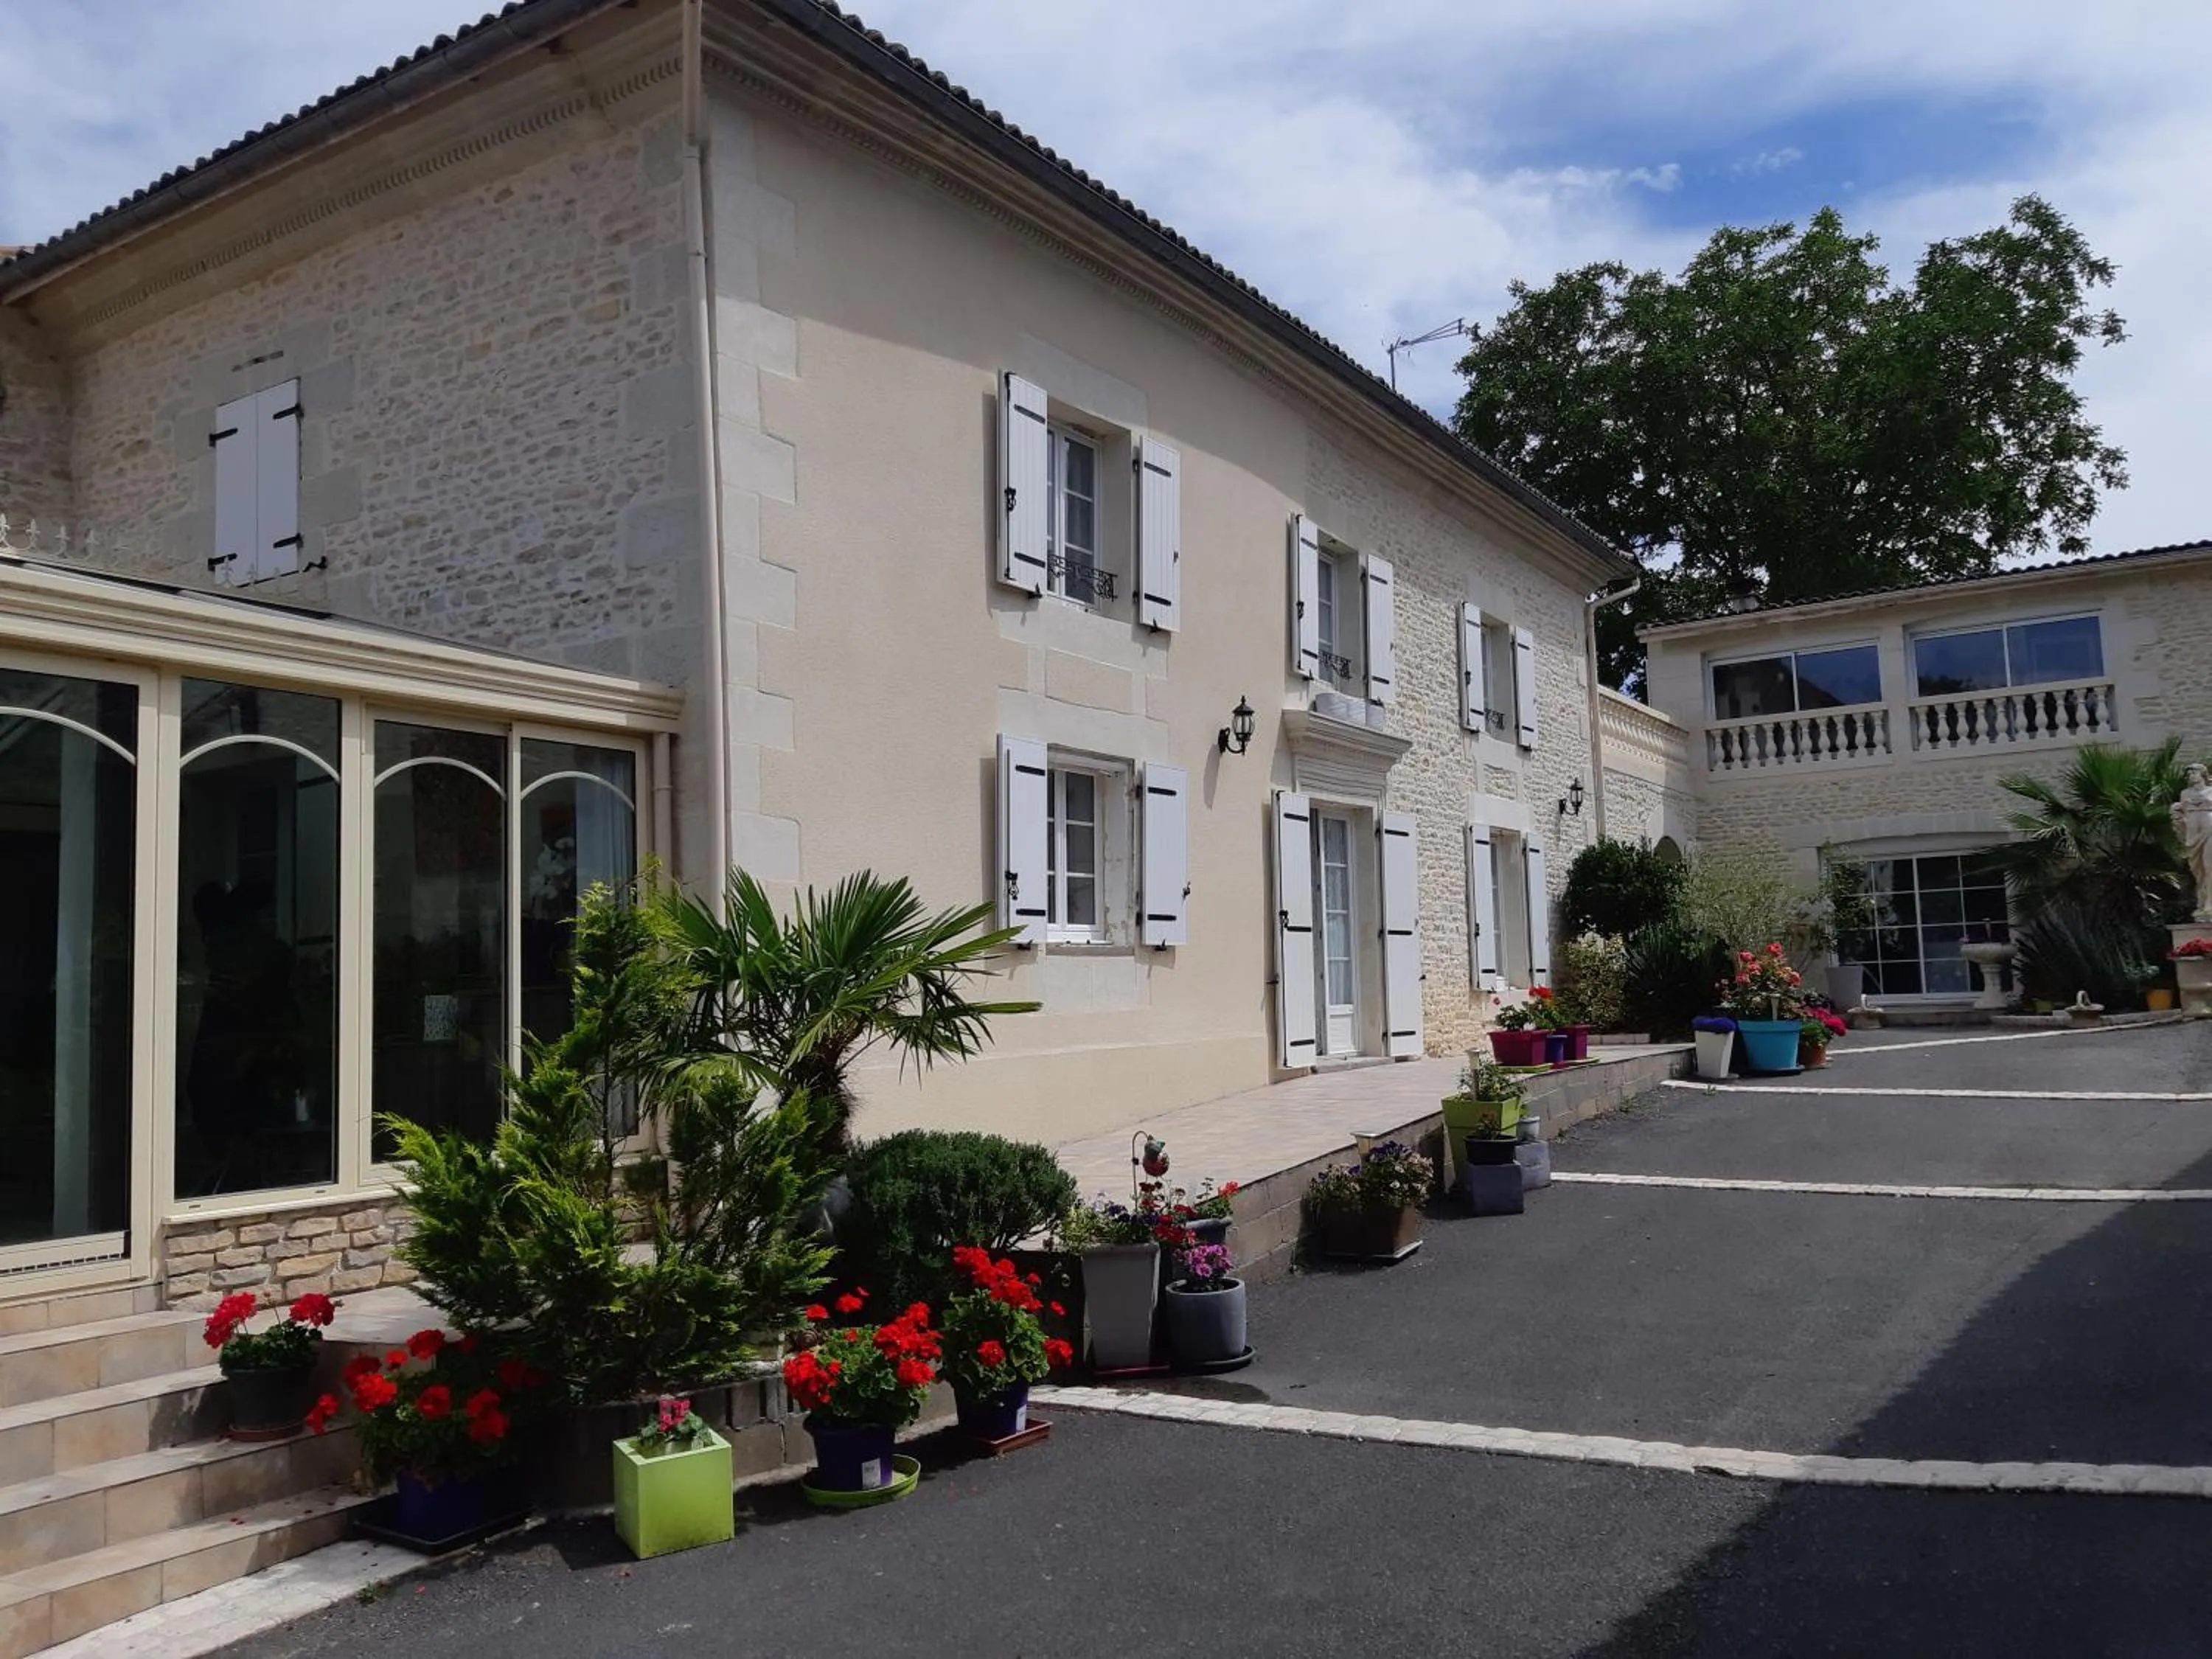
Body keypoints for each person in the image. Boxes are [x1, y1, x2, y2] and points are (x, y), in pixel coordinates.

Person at [2174, 763, 2212, 923]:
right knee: (2197, 869)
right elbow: (2179, 813)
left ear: (2203, 774)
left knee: (2210, 864)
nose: (2191, 776)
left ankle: (2210, 902)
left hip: (2209, 828)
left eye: (2194, 773)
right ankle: (2202, 902)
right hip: (2192, 832)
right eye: (2189, 774)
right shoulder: (2185, 793)